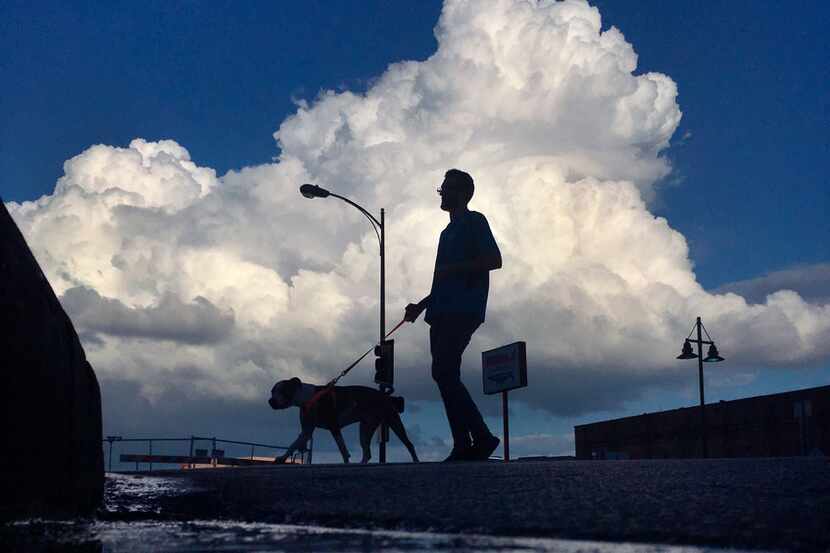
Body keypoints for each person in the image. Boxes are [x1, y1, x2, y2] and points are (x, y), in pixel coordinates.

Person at [404, 169, 502, 462]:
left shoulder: (475, 221)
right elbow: (442, 281)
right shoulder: (446, 233)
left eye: (445, 189)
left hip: (463, 309)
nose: (442, 194)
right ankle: (465, 442)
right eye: (441, 189)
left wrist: (454, 269)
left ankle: (480, 438)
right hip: (441, 311)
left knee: (444, 372)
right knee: (443, 373)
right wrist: (421, 306)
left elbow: (494, 260)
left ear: (461, 193)